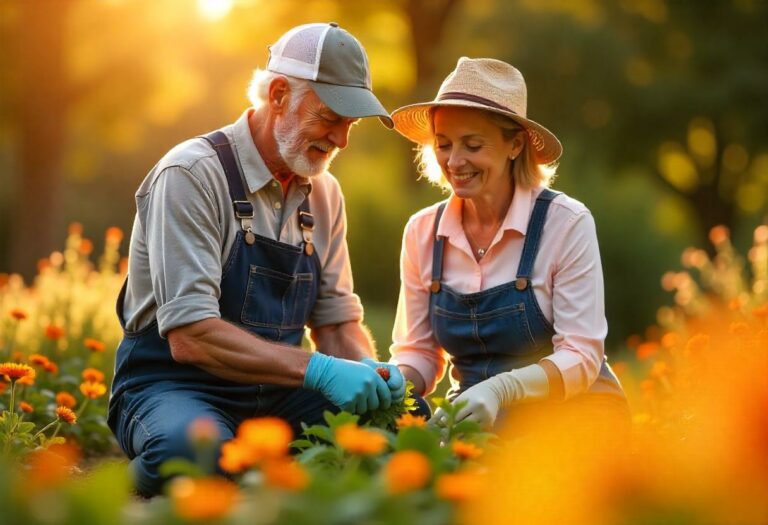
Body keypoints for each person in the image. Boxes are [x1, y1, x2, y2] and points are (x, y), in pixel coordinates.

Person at [108, 22, 406, 497]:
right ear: (281, 94)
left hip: (278, 394)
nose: (341, 140)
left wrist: (375, 376)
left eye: (351, 125)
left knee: (393, 437)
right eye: (331, 118)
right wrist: (320, 371)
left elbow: (334, 324)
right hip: (175, 385)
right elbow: (191, 336)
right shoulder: (191, 174)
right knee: (195, 454)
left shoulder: (324, 193)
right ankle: (104, 488)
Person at [388, 57, 628, 431]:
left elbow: (582, 356)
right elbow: (419, 352)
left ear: (515, 144)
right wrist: (390, 385)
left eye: (472, 145)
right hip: (477, 420)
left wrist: (501, 389)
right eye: (444, 144)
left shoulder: (565, 224)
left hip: (574, 418)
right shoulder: (422, 232)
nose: (454, 161)